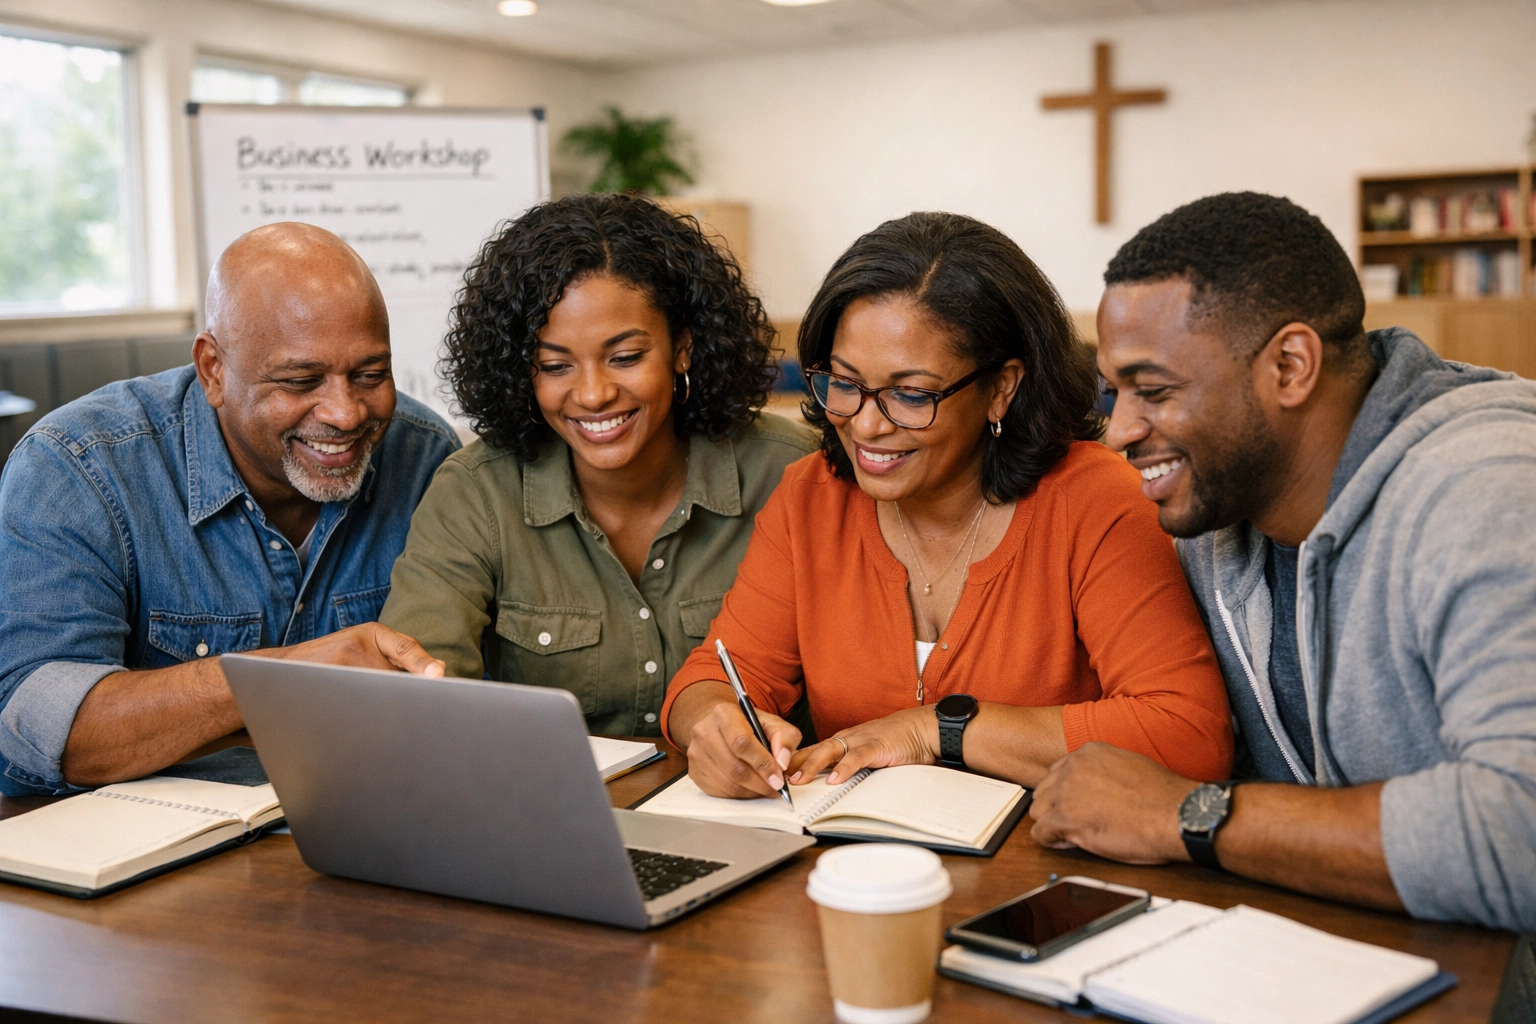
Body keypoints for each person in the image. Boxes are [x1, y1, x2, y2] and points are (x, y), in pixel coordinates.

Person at [1028, 192, 1536, 931]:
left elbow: (1520, 833)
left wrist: (1186, 814)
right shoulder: (1214, 508)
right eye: (1116, 392)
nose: (1121, 431)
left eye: (1154, 391)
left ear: (1291, 366)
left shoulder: (1487, 489)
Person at [660, 212, 1234, 799]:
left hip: (1049, 871)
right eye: (845, 382)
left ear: (1001, 388)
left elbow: (1188, 736)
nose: (865, 424)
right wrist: (712, 723)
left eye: (910, 394)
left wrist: (937, 730)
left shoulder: (1097, 502)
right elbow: (714, 676)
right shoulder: (812, 497)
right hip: (858, 871)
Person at [0, 223, 458, 796]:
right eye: (301, 379)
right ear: (213, 370)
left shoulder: (425, 457)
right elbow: (42, 731)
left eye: (370, 375)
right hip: (142, 851)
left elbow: (447, 707)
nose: (345, 413)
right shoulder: (77, 468)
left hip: (363, 821)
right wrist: (280, 682)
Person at [379, 194, 817, 736]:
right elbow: (423, 689)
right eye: (555, 365)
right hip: (557, 811)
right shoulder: (477, 493)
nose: (593, 394)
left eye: (625, 358)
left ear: (683, 346)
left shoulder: (792, 472)